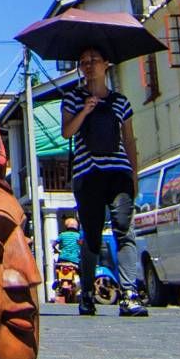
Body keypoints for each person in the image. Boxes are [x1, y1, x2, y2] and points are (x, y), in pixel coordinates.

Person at [59, 46, 146, 317]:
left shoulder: (121, 102)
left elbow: (129, 140)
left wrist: (134, 174)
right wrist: (85, 110)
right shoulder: (73, 99)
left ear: (106, 64)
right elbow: (66, 132)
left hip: (118, 173)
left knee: (124, 230)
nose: (89, 65)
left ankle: (130, 293)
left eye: (94, 60)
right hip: (87, 174)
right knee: (92, 236)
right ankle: (86, 293)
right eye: (83, 61)